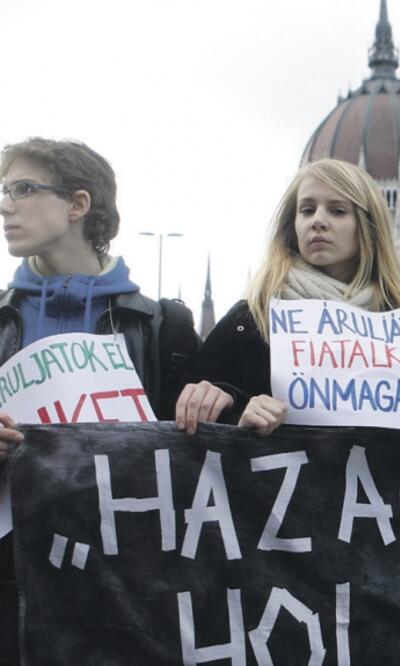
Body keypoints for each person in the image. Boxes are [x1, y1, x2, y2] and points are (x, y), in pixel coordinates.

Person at [0, 138, 201, 666]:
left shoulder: (164, 328)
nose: (5, 205)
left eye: (23, 189)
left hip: (125, 585)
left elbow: (200, 463)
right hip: (12, 581)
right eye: (4, 190)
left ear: (78, 205)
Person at [176, 158, 400, 442]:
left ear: (366, 226)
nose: (318, 221)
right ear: (292, 225)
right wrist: (236, 410)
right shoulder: (251, 320)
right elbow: (178, 425)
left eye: (337, 210)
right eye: (306, 210)